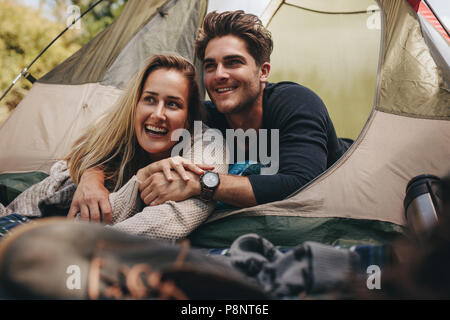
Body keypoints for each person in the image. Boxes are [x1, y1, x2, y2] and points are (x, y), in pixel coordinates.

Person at [72, 10, 351, 219]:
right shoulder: (204, 117)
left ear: (263, 71)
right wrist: (91, 178)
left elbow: (301, 183)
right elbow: (115, 137)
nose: (219, 75)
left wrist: (201, 183)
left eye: (233, 62)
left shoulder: (295, 102)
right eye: (210, 65)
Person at [0, 54, 228, 240]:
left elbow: (168, 222)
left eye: (172, 104)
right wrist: (91, 175)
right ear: (136, 104)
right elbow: (71, 169)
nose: (158, 114)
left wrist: (137, 183)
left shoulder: (207, 146)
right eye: (149, 99)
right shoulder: (120, 131)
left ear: (188, 118)